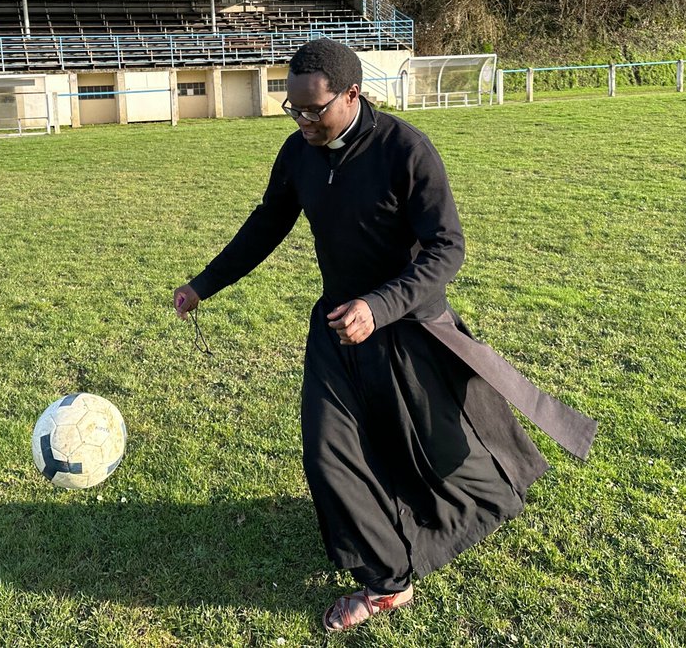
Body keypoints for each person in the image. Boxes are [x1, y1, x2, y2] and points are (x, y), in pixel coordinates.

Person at [173, 39, 596, 633]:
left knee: (439, 452)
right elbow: (267, 222)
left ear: (352, 94)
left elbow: (448, 247)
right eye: (291, 109)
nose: (302, 122)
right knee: (327, 455)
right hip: (336, 329)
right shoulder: (298, 153)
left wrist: (380, 304)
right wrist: (204, 283)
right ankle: (388, 582)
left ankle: (479, 503)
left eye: (313, 110)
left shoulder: (405, 149)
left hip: (408, 326)